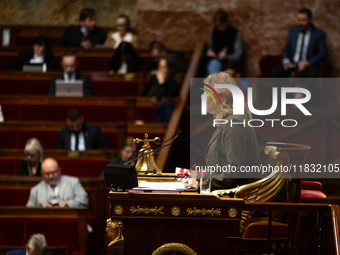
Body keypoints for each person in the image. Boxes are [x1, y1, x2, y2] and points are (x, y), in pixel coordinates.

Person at [183, 72, 261, 191]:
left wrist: (201, 185)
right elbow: (220, 169)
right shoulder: (229, 121)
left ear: (221, 97)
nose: (201, 96)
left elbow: (234, 170)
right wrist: (197, 178)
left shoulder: (235, 123)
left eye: (205, 92)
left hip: (238, 201)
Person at [271, 8, 326, 78]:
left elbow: (322, 53)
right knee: (275, 73)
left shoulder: (318, 34)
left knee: (313, 73)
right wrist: (287, 61)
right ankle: (281, 89)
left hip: (308, 65)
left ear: (310, 20)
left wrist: (308, 63)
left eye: (303, 20)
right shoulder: (293, 31)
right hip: (293, 64)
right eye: (299, 20)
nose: (300, 23)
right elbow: (286, 50)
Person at [206, 9, 243, 75]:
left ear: (226, 22)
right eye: (217, 26)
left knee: (227, 74)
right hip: (216, 60)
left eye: (221, 25)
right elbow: (210, 46)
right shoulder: (213, 31)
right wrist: (210, 51)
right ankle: (213, 84)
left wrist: (226, 56)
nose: (220, 28)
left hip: (230, 63)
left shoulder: (235, 33)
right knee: (213, 65)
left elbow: (238, 55)